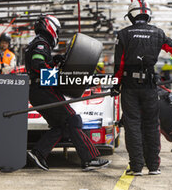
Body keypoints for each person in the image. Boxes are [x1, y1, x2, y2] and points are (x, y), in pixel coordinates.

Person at [112, 0, 172, 176]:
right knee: (151, 125)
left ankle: (137, 167)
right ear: (148, 15)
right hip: (150, 86)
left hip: (130, 87)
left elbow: (119, 65)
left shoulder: (123, 34)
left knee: (132, 125)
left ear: (131, 15)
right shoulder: (159, 33)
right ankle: (154, 166)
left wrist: (115, 85)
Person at [25, 15, 110, 171]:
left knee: (60, 125)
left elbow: (41, 65)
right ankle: (89, 159)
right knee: (73, 119)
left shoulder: (37, 43)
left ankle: (38, 153)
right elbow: (38, 66)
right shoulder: (41, 44)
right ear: (50, 27)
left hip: (37, 92)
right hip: (44, 91)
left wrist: (55, 61)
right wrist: (59, 76)